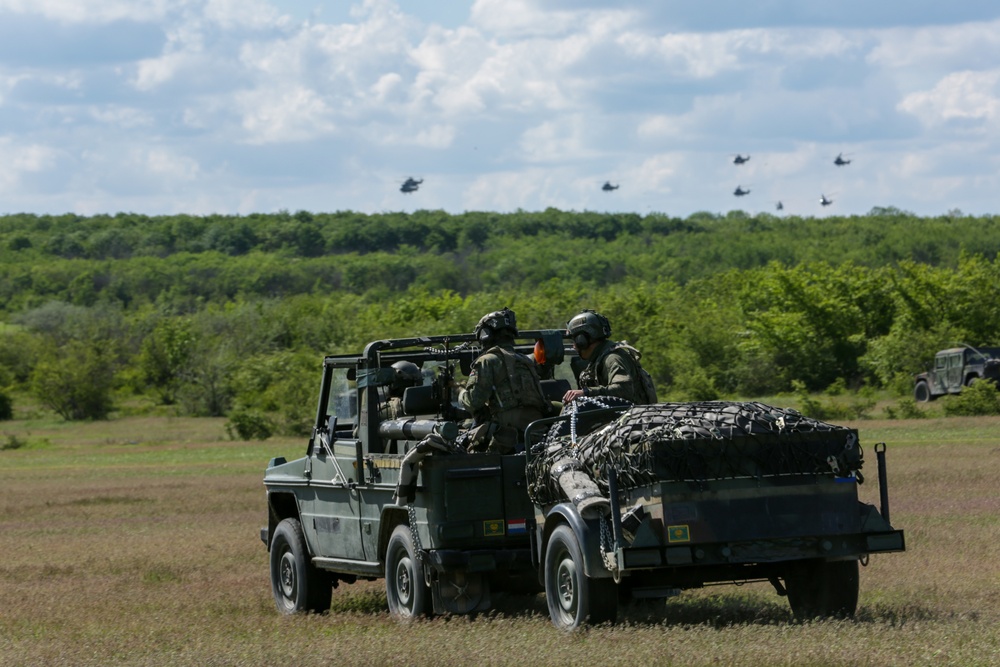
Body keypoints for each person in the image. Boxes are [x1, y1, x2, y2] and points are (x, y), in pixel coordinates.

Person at [458, 307, 554, 453]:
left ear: (485, 335)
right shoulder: (525, 360)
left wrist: (460, 393)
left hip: (508, 438)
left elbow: (474, 401)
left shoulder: (487, 361)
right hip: (538, 431)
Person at [562, 309, 657, 405]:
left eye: (574, 340)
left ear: (582, 340)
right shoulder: (599, 357)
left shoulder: (612, 358)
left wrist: (586, 392)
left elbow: (624, 390)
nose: (574, 346)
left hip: (631, 416)